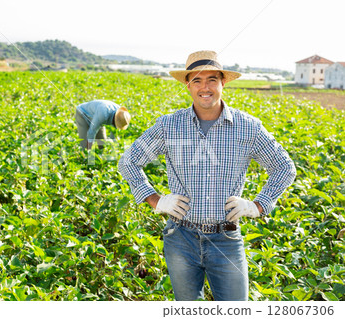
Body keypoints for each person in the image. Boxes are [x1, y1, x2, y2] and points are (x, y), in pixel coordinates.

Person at [118, 50, 296, 301]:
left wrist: (258, 205)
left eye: (212, 79)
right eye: (197, 80)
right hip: (180, 238)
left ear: (223, 83)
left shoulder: (248, 127)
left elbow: (284, 167)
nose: (205, 87)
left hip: (226, 239)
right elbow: (129, 161)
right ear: (188, 85)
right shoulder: (169, 125)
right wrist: (155, 200)